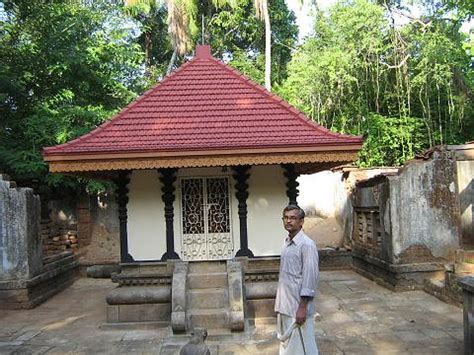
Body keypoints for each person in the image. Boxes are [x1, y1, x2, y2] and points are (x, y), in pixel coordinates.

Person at [275, 204, 320, 355]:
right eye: (286, 218)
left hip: (298, 308)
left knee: (304, 348)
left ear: (301, 221)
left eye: (293, 218)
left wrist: (302, 307)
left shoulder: (307, 245)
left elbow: (310, 278)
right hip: (285, 305)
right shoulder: (287, 242)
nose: (289, 221)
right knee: (290, 348)